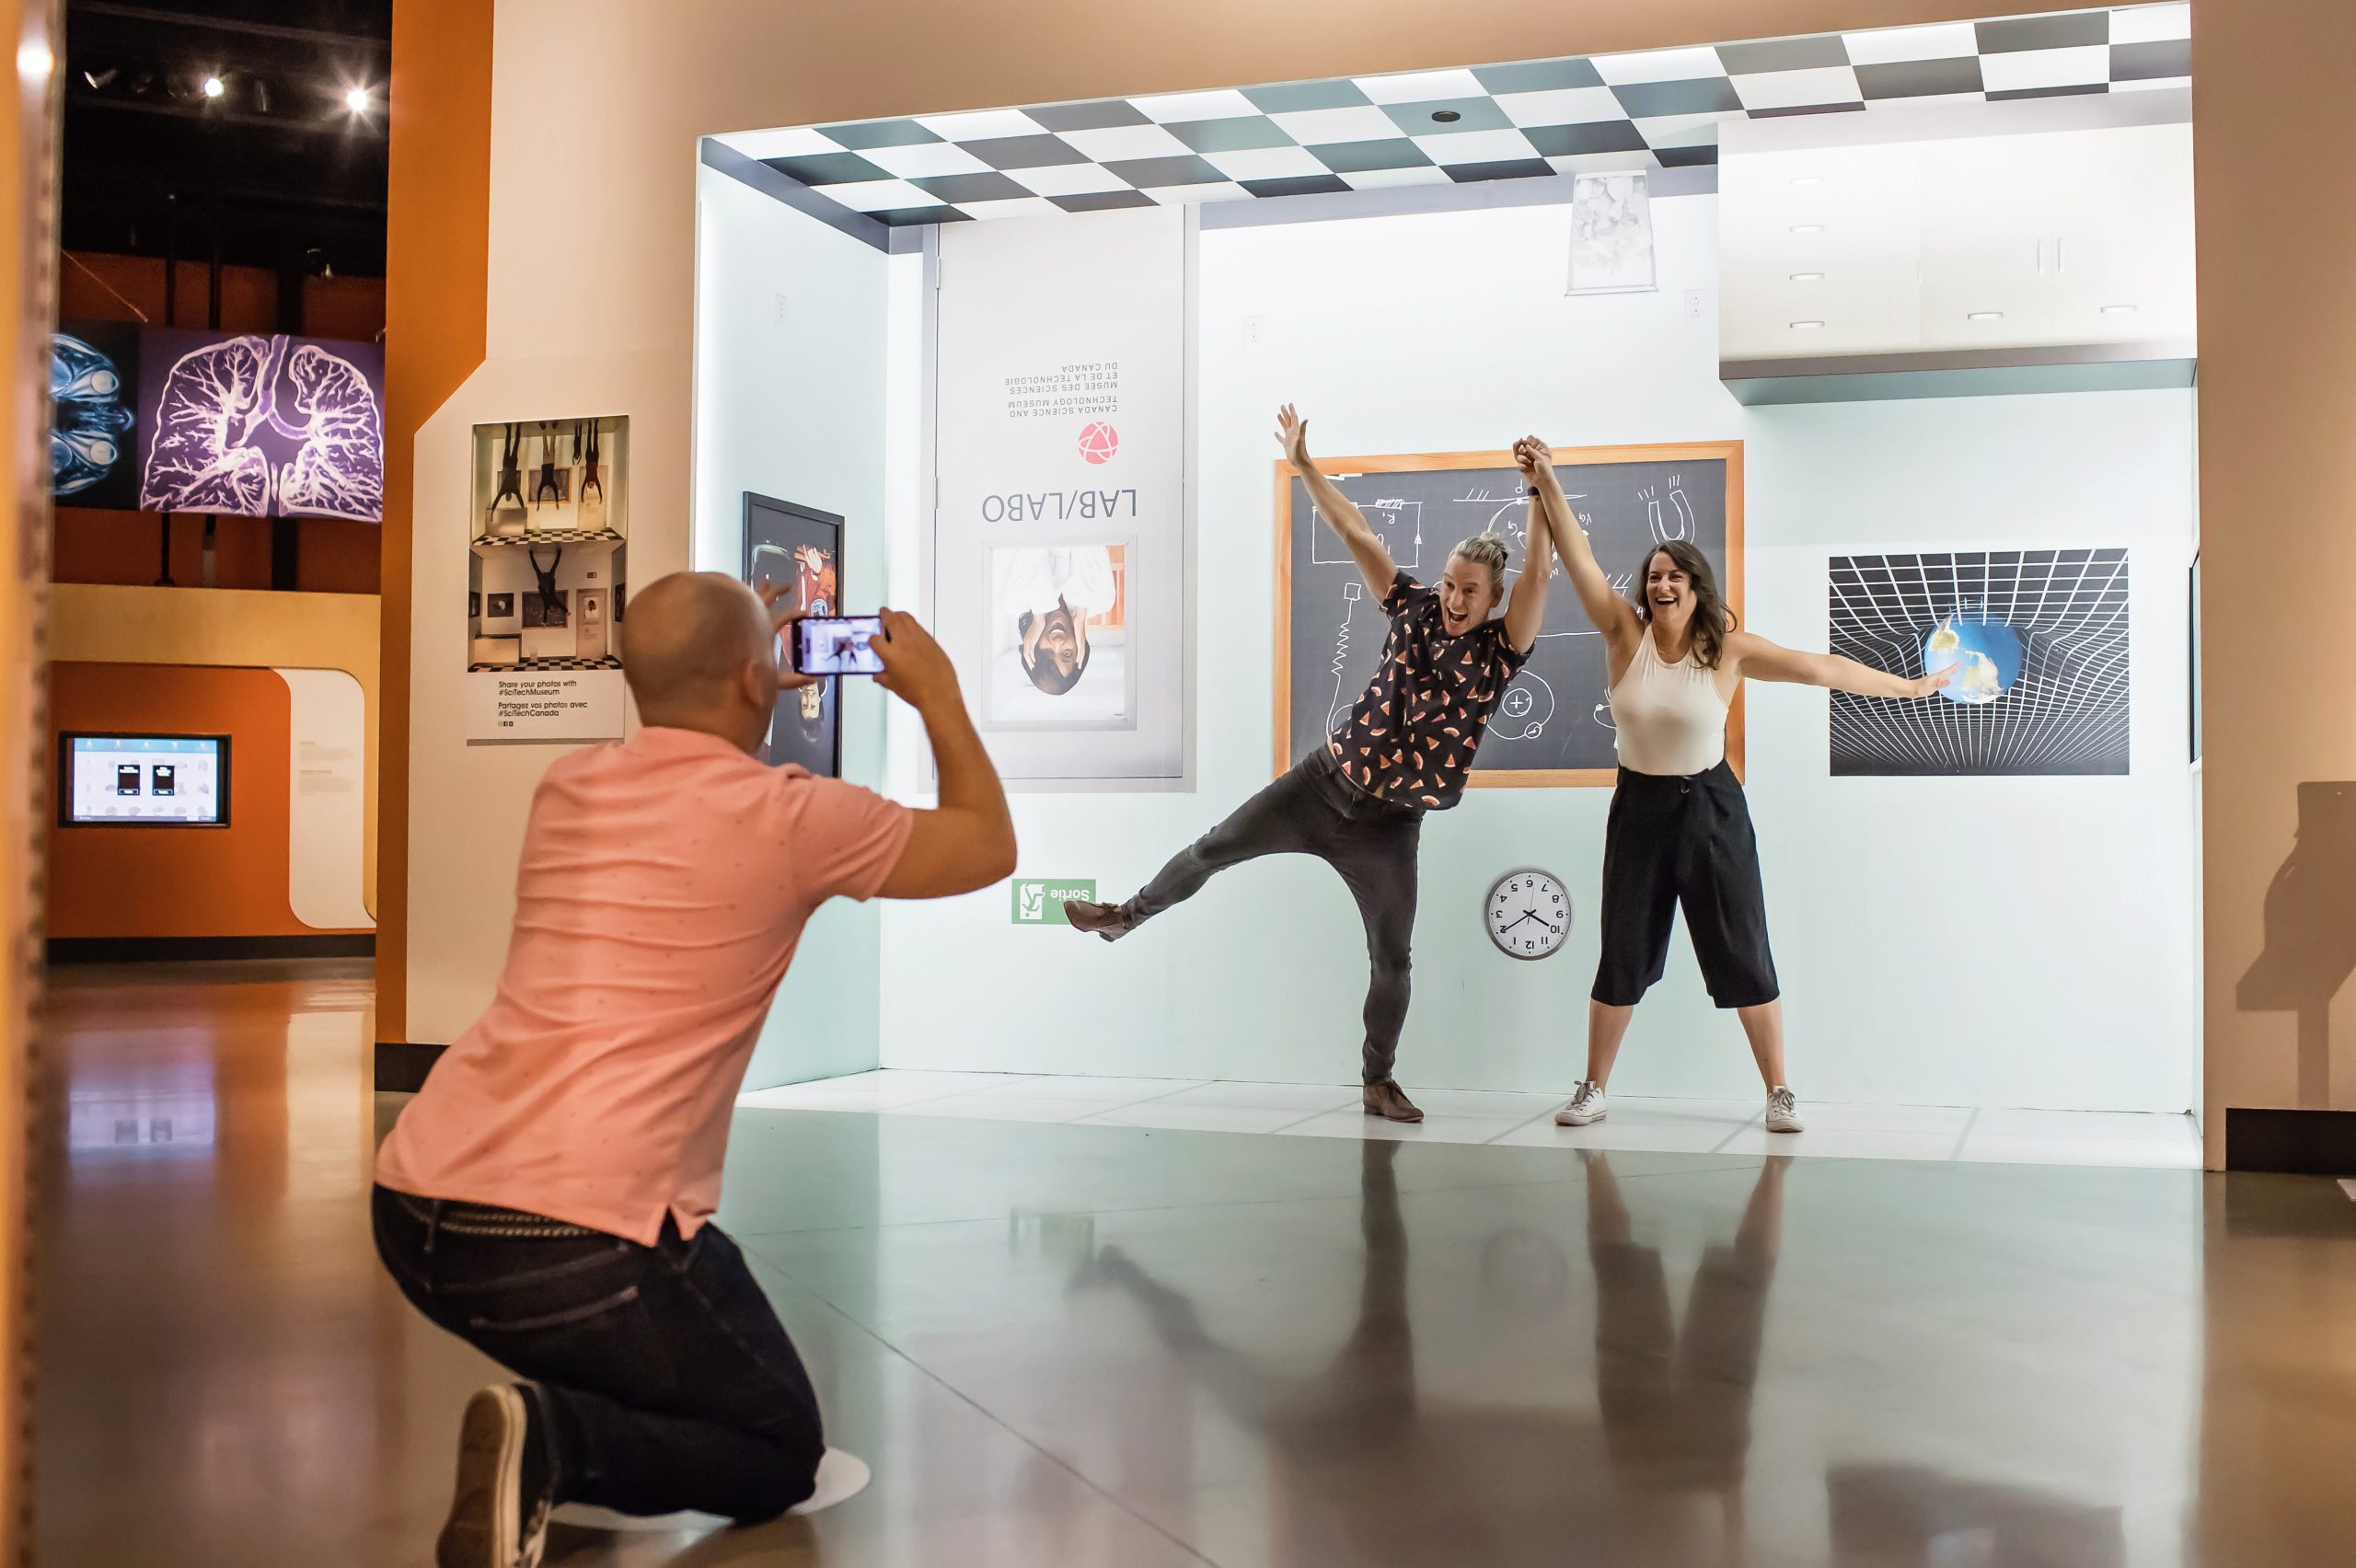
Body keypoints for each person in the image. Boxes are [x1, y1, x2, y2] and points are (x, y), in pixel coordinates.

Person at [371, 572, 1015, 1568]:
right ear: (762, 682)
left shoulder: (570, 783)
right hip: (570, 1240)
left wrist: (735, 645)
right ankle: (553, 1443)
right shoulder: (794, 816)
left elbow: (687, 675)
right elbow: (986, 846)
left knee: (687, 1310)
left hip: (414, 1204)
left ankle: (557, 1426)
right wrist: (938, 696)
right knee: (773, 1448)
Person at [1062, 405, 1553, 1122]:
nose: (1451, 597)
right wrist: (1305, 465)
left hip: (1390, 826)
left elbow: (1540, 567)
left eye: (1467, 590)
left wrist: (1539, 492)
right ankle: (1124, 917)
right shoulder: (1412, 608)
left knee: (1393, 959)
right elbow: (1355, 529)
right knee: (1211, 849)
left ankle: (1377, 1079)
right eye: (1448, 582)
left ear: (1494, 599)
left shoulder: (1501, 650)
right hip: (1323, 784)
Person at [1519, 438, 1951, 1134]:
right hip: (1639, 808)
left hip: (1712, 807)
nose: (1662, 586)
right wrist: (1547, 481)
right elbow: (1578, 560)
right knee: (1622, 948)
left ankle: (1779, 1091)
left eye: (1676, 578)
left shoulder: (1728, 649)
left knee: (1744, 945)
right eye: (1654, 576)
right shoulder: (1621, 632)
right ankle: (1594, 1087)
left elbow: (1819, 668)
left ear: (1696, 588)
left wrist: (1910, 687)